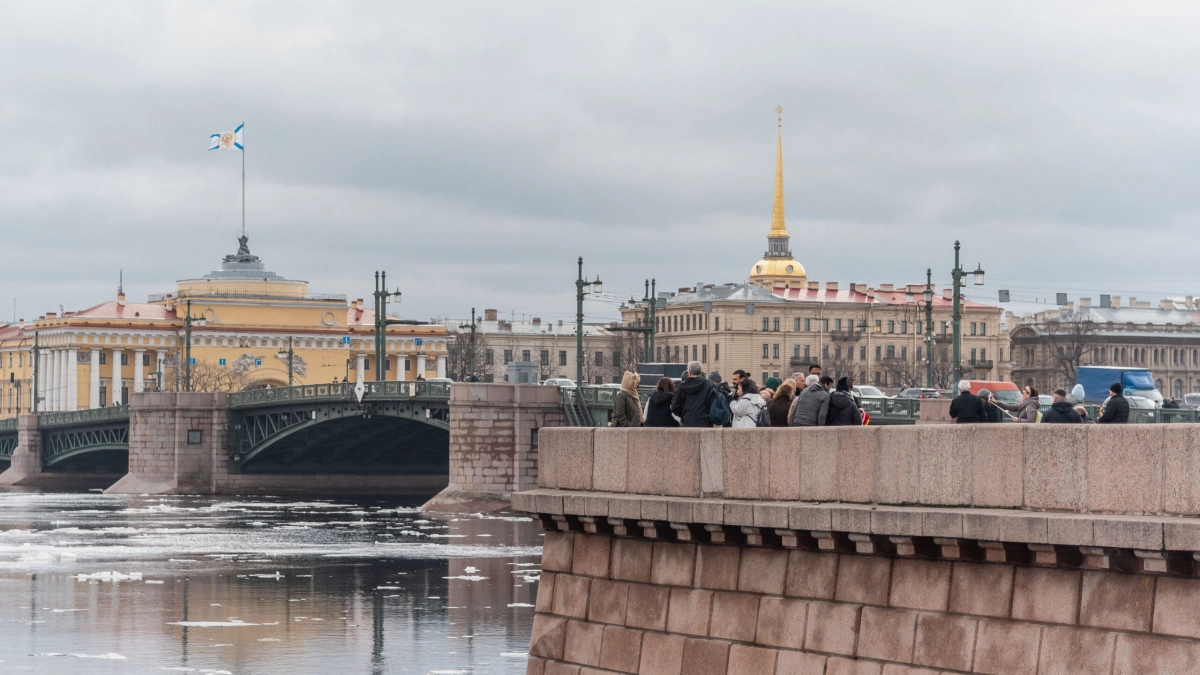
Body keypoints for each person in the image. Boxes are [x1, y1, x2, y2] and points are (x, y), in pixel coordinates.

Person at [671, 361, 715, 427]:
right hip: (705, 422)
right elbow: (713, 402)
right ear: (701, 372)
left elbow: (674, 407)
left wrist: (684, 415)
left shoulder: (681, 387)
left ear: (689, 373)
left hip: (688, 422)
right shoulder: (708, 385)